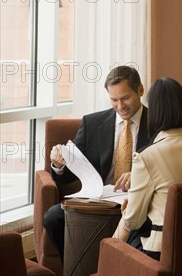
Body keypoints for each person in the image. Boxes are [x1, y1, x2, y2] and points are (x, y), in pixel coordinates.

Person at [44, 65, 150, 263]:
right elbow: (68, 176)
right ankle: (77, 270)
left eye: (126, 98)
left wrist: (140, 177)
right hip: (98, 199)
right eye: (114, 100)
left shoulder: (156, 123)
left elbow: (166, 168)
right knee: (53, 217)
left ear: (140, 90)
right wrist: (58, 164)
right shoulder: (92, 123)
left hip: (140, 201)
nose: (120, 106)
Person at [113, 77, 182, 260]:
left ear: (154, 111)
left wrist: (126, 213)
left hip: (163, 251)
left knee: (120, 242)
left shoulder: (146, 157)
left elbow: (133, 220)